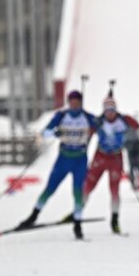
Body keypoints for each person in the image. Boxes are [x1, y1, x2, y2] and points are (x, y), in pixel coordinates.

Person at [18, 90, 97, 239]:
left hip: (80, 159)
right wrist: (55, 133)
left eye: (77, 102)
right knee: (50, 188)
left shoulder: (88, 117)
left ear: (80, 102)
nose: (74, 105)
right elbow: (43, 133)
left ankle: (77, 223)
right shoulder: (61, 116)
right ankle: (33, 216)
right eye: (71, 102)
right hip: (64, 158)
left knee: (78, 191)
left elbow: (102, 129)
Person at [80, 97, 139, 234]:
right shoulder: (99, 121)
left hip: (116, 157)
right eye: (107, 110)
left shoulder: (124, 120)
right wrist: (83, 147)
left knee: (114, 189)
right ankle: (78, 212)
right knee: (89, 185)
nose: (110, 113)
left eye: (112, 110)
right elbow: (87, 134)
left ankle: (115, 219)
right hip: (100, 156)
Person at [123, 114, 139, 191]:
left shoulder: (136, 127)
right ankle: (134, 183)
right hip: (131, 146)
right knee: (133, 166)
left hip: (136, 146)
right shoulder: (126, 127)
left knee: (137, 166)